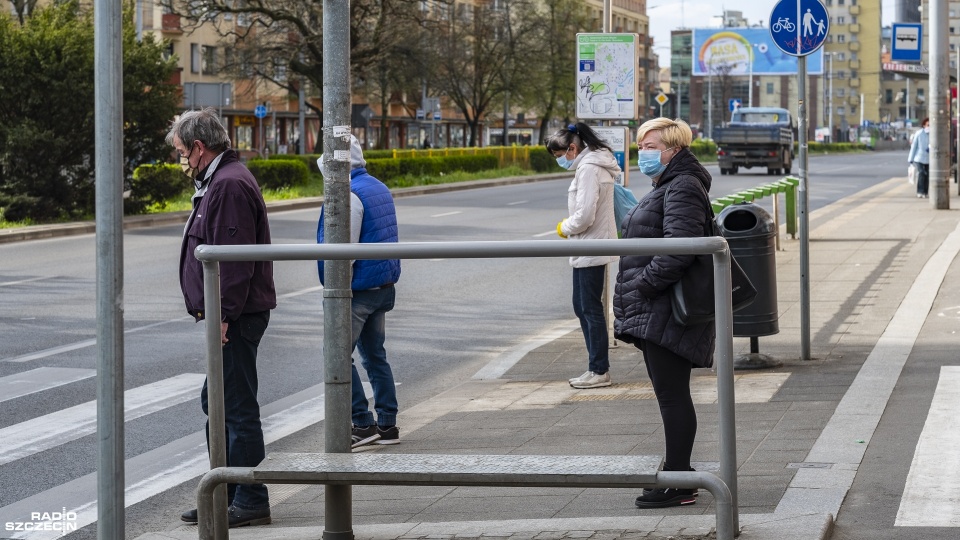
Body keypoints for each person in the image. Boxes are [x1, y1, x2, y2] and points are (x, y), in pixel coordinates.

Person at [168, 108, 276, 527]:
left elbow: (233, 262)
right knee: (220, 402)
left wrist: (223, 317)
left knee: (234, 407)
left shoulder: (228, 185)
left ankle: (248, 498)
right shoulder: (222, 179)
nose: (181, 162)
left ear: (199, 147)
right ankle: (226, 490)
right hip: (232, 313)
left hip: (236, 315)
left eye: (182, 152)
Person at [613, 117, 713, 509]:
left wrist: (644, 286)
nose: (643, 153)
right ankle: (677, 473)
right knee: (669, 393)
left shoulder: (683, 185)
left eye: (649, 146)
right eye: (640, 146)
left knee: (672, 395)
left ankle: (679, 480)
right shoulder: (670, 183)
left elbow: (680, 248)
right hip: (660, 305)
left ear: (672, 148)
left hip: (666, 305)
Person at [316, 135, 402, 448]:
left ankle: (362, 423)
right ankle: (388, 424)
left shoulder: (348, 193)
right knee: (375, 355)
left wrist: (335, 289)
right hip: (382, 285)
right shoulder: (377, 185)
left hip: (358, 290)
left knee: (336, 354)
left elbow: (344, 249)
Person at [545, 123, 620, 389]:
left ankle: (599, 370)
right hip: (587, 245)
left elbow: (585, 215)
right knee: (583, 306)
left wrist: (564, 228)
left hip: (591, 245)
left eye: (560, 156)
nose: (561, 161)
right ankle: (596, 367)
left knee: (589, 308)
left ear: (572, 148)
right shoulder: (591, 165)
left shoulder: (589, 169)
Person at [908, 117, 930, 198]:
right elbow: (914, 146)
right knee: (922, 173)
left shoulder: (933, 134)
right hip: (919, 158)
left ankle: (925, 192)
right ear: (924, 125)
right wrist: (910, 159)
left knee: (927, 175)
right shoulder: (919, 133)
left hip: (929, 158)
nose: (929, 127)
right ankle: (920, 191)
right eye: (928, 125)